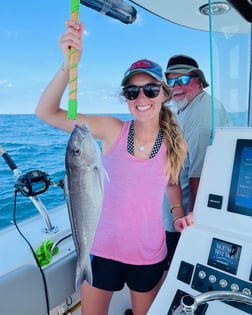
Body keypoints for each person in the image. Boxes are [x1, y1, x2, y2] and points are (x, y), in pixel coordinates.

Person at [35, 21, 194, 315]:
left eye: (150, 89)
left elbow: (171, 183)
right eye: (132, 92)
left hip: (148, 255)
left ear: (164, 94)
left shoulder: (176, 143)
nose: (141, 97)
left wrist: (178, 214)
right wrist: (68, 65)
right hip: (100, 251)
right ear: (126, 98)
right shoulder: (112, 130)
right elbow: (46, 112)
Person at [162, 54, 231, 269]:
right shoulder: (188, 106)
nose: (176, 86)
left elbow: (199, 175)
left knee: (172, 270)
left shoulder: (201, 116)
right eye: (171, 81)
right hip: (174, 214)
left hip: (181, 221)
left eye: (182, 80)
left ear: (199, 81)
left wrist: (191, 227)